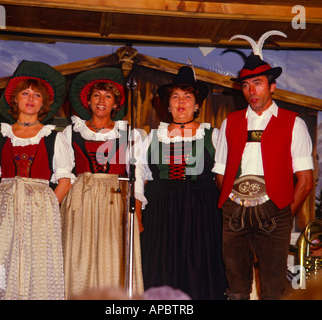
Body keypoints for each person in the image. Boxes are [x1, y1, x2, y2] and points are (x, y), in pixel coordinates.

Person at [212, 32, 314, 300]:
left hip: (275, 210)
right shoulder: (230, 122)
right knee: (236, 288)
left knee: (272, 289)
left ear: (272, 86)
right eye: (246, 85)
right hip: (235, 212)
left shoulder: (294, 123)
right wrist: (232, 203)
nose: (251, 91)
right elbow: (220, 172)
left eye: (257, 83)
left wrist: (282, 211)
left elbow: (305, 181)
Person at [0, 60, 72, 300]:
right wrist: (3, 204)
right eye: (25, 93)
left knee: (35, 263)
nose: (30, 98)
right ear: (15, 100)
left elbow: (64, 181)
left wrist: (47, 205)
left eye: (37, 95)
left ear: (43, 103)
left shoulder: (54, 138)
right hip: (3, 212)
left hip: (40, 212)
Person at [137, 66, 227, 300]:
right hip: (161, 215)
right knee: (160, 270)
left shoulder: (213, 136)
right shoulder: (151, 138)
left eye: (188, 97)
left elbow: (224, 179)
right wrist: (138, 217)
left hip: (203, 214)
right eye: (175, 96)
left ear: (197, 105)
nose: (181, 102)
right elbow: (140, 179)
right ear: (167, 104)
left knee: (200, 272)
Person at [61, 67, 144, 299]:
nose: (102, 101)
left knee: (113, 256)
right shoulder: (70, 133)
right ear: (88, 101)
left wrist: (137, 214)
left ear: (116, 104)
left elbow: (138, 177)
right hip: (82, 199)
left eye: (108, 96)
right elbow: (64, 175)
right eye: (97, 95)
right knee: (80, 255)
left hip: (116, 199)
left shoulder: (129, 133)